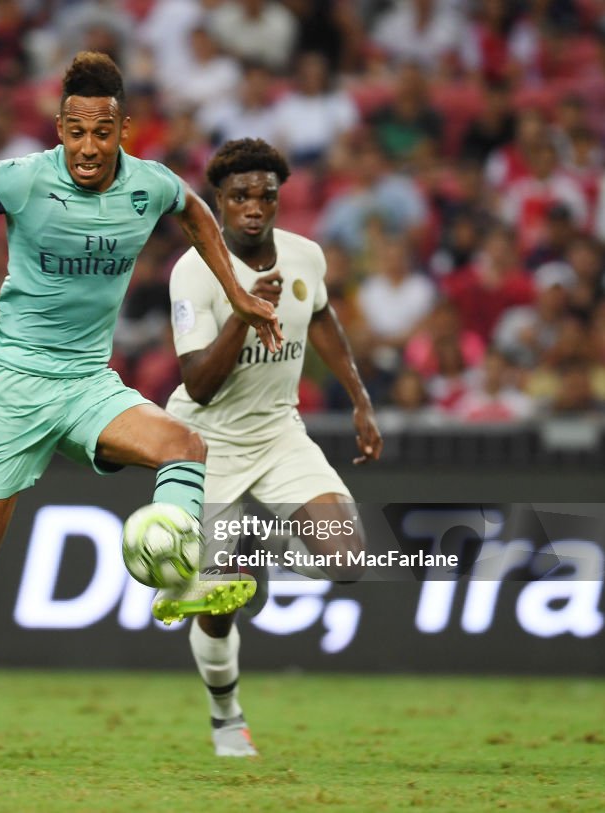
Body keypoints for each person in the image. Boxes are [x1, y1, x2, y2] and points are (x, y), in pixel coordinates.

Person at [0, 52, 282, 622]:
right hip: (14, 386)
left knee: (185, 446)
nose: (88, 146)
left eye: (102, 133)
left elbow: (195, 212)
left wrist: (236, 293)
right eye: (76, 132)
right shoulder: (23, 178)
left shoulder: (149, 185)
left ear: (122, 131)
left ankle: (182, 574)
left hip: (86, 385)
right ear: (60, 129)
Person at [163, 139, 382, 757]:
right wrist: (246, 308)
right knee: (219, 605)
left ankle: (256, 545)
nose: (254, 207)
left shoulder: (305, 256)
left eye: (265, 195)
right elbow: (199, 386)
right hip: (207, 445)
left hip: (279, 432)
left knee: (346, 560)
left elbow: (321, 319)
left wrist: (360, 399)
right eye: (239, 197)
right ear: (219, 203)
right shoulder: (193, 271)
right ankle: (226, 714)